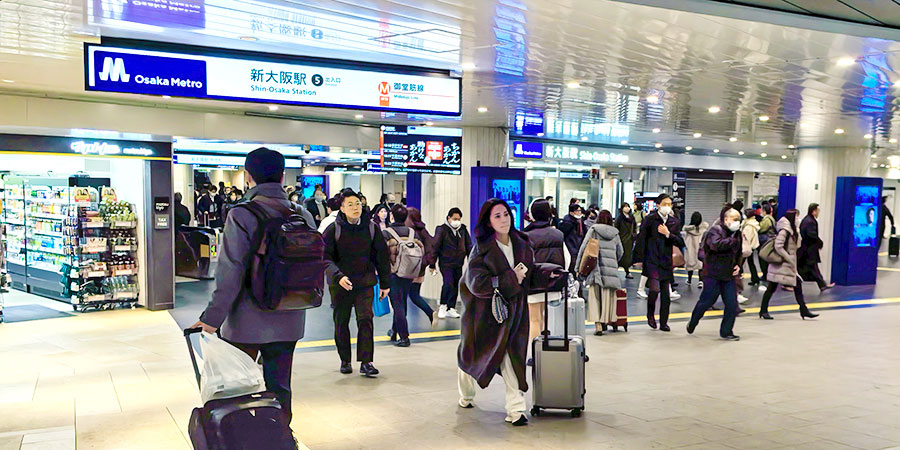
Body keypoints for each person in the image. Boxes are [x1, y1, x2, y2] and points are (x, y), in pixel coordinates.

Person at [192, 147, 316, 425]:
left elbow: (230, 273)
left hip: (247, 322)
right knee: (280, 387)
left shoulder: (242, 214)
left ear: (248, 176)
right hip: (291, 317)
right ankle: (280, 437)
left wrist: (211, 319)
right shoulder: (302, 216)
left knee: (239, 389)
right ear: (282, 175)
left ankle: (244, 438)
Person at [457, 198, 533, 427]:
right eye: (497, 216)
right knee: (471, 357)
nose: (503, 220)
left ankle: (516, 410)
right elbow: (477, 284)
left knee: (512, 357)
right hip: (483, 314)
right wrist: (511, 278)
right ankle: (466, 395)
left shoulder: (522, 242)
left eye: (506, 214)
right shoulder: (480, 249)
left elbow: (530, 274)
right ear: (488, 221)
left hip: (515, 313)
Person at [322, 188, 391, 377]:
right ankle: (345, 359)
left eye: (358, 204)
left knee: (365, 319)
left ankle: (366, 361)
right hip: (340, 284)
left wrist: (385, 283)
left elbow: (382, 256)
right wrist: (338, 276)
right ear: (342, 209)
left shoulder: (370, 228)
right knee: (341, 321)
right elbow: (324, 258)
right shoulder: (333, 229)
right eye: (350, 205)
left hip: (365, 282)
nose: (355, 208)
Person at [686, 206, 743, 341]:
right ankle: (693, 321)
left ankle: (726, 331)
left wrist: (738, 265)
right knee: (706, 301)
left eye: (739, 219)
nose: (737, 222)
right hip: (713, 274)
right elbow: (716, 245)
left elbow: (739, 252)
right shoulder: (715, 231)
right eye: (734, 219)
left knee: (731, 303)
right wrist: (732, 240)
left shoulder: (737, 233)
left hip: (728, 274)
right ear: (726, 219)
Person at [383, 205, 435, 347]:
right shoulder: (412, 233)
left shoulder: (387, 233)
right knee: (401, 303)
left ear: (391, 216)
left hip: (393, 274)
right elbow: (422, 251)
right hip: (409, 273)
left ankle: (404, 337)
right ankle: (394, 332)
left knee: (398, 304)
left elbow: (380, 254)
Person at [633, 193, 684, 332]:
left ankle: (664, 322)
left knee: (666, 294)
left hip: (666, 261)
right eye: (665, 204)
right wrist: (638, 258)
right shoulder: (650, 219)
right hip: (652, 259)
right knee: (654, 290)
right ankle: (650, 314)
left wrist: (668, 234)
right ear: (658, 205)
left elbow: (680, 241)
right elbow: (641, 238)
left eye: (670, 204)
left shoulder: (674, 222)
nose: (667, 207)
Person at [759, 209, 821, 320]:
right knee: (772, 288)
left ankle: (803, 309)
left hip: (787, 265)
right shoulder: (785, 230)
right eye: (797, 217)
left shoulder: (792, 230)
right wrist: (788, 258)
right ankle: (764, 310)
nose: (798, 219)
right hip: (782, 265)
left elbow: (797, 244)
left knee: (796, 286)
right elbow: (778, 246)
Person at [523, 199, 568, 352]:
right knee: (543, 316)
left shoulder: (526, 235)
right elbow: (566, 258)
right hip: (553, 282)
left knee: (534, 319)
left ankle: (536, 354)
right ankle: (545, 350)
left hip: (533, 283)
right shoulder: (558, 234)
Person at [577, 210, 623, 335]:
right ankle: (605, 321)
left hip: (595, 269)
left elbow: (584, 248)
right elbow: (621, 252)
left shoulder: (594, 230)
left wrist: (577, 267)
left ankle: (598, 325)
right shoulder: (615, 233)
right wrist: (613, 262)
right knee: (608, 297)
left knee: (595, 297)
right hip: (610, 269)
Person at [429, 207, 472, 319]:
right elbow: (435, 247)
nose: (457, 221)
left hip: (458, 262)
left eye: (459, 219)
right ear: (449, 218)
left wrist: (471, 260)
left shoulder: (463, 229)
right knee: (448, 283)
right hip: (445, 262)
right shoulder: (441, 229)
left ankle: (451, 308)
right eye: (455, 218)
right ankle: (443, 305)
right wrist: (432, 264)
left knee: (456, 284)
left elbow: (468, 246)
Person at [798, 203, 835, 291]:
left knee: (812, 267)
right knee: (813, 267)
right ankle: (821, 284)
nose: (818, 213)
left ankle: (821, 284)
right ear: (814, 211)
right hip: (810, 249)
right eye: (818, 211)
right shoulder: (810, 221)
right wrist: (819, 242)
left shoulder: (806, 220)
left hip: (806, 248)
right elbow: (811, 235)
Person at [682, 212, 708, 287]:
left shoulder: (688, 230)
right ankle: (700, 281)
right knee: (700, 265)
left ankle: (689, 280)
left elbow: (684, 239)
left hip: (690, 249)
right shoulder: (703, 229)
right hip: (700, 249)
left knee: (690, 265)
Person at [558, 203, 586, 273]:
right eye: (577, 211)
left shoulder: (581, 222)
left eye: (580, 211)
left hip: (578, 247)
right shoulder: (567, 223)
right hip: (571, 248)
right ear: (571, 212)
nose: (579, 213)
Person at [614, 203, 637, 279]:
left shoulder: (631, 217)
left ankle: (627, 271)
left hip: (629, 240)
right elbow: (616, 228)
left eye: (628, 207)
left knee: (627, 256)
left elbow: (634, 227)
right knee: (620, 255)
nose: (627, 208)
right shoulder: (620, 218)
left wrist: (633, 234)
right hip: (621, 239)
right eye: (625, 207)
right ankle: (617, 271)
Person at [757, 203, 776, 287]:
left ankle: (765, 274)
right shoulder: (772, 219)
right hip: (770, 240)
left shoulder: (766, 220)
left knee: (763, 258)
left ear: (764, 211)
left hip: (765, 241)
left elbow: (761, 229)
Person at [742, 208, 761, 286]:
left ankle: (736, 279)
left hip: (747, 247)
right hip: (752, 246)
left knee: (740, 262)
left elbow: (747, 238)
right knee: (751, 262)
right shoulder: (753, 223)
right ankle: (755, 278)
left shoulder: (749, 226)